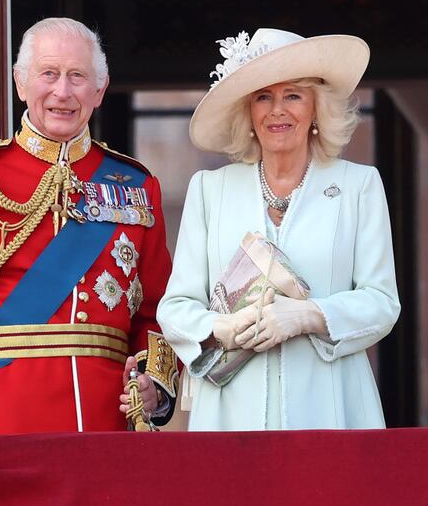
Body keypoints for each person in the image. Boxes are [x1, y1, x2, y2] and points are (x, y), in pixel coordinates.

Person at [0, 17, 178, 436]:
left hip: (106, 418)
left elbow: (158, 309)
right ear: (20, 83)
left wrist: (152, 386)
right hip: (1, 417)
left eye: (78, 77)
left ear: (100, 90)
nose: (63, 92)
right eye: (48, 74)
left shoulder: (138, 186)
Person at [157, 28, 400, 430]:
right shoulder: (210, 189)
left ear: (316, 108)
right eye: (263, 97)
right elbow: (175, 308)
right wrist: (224, 329)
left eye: (293, 95)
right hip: (229, 416)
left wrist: (309, 316)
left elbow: (382, 302)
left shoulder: (359, 186)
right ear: (247, 112)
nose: (277, 110)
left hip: (331, 409)